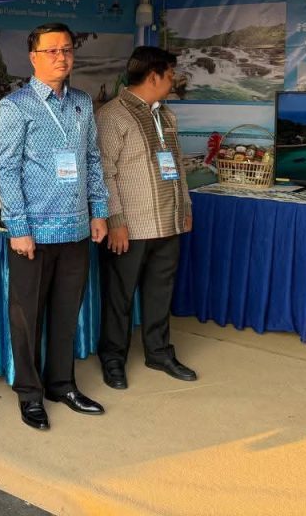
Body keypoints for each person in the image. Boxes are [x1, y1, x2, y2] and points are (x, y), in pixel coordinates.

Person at [0, 24, 109, 430]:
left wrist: (99, 210)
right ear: (34, 57)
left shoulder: (81, 103)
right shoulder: (15, 107)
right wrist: (18, 227)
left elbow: (92, 159)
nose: (62, 57)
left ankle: (62, 384)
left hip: (76, 230)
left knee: (66, 312)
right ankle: (30, 394)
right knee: (27, 318)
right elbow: (7, 170)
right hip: (34, 235)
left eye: (67, 50)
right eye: (52, 51)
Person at [96, 46, 197, 390]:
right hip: (131, 227)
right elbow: (104, 172)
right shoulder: (113, 115)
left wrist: (185, 208)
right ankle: (113, 358)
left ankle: (159, 352)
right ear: (154, 76)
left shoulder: (166, 116)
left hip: (168, 222)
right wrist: (115, 220)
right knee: (119, 297)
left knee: (160, 292)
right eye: (170, 74)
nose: (173, 80)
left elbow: (177, 166)